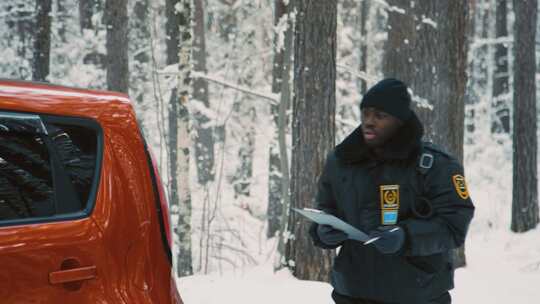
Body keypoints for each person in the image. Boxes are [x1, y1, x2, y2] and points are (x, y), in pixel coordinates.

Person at [309, 78, 475, 304]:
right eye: (366, 113)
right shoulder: (341, 161)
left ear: (400, 121)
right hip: (352, 292)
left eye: (380, 116)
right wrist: (322, 232)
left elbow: (454, 226)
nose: (369, 122)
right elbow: (325, 209)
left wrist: (406, 236)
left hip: (418, 295)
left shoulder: (435, 164)